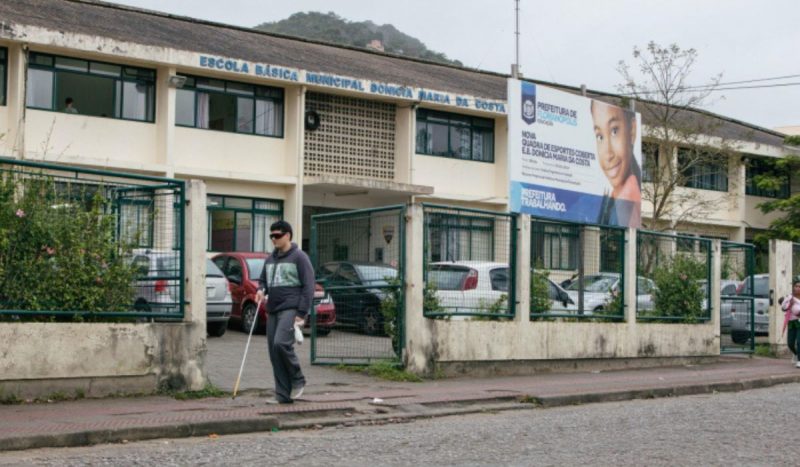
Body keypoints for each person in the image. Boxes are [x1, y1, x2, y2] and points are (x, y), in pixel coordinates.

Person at [255, 220, 315, 404]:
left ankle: (298, 378)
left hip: (291, 307)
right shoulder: (270, 258)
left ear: (288, 235)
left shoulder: (299, 257)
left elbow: (308, 286)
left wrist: (301, 313)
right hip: (273, 308)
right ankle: (282, 394)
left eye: (277, 235)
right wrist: (260, 289)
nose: (274, 239)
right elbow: (263, 280)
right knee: (274, 351)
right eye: (271, 236)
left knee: (281, 344)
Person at [591, 100, 642, 227]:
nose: (608, 154)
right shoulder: (615, 197)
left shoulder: (627, 197)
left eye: (614, 131)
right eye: (600, 137)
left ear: (632, 130)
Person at [780, 279, 800, 367]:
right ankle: (795, 354)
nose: (798, 288)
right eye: (796, 286)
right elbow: (783, 308)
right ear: (793, 288)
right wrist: (789, 302)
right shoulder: (790, 297)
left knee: (799, 341)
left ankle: (799, 360)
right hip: (792, 322)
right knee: (790, 343)